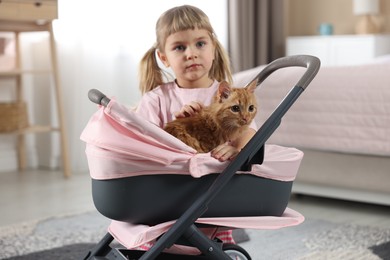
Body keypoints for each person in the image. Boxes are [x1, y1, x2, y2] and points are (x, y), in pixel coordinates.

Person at [135, 4, 257, 250]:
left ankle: (215, 243)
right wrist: (181, 121)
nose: (191, 53)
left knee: (216, 234)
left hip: (213, 194)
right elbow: (143, 142)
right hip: (167, 190)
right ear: (163, 57)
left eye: (200, 44)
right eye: (180, 47)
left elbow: (251, 131)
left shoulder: (229, 94)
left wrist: (237, 148)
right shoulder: (156, 99)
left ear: (213, 47)